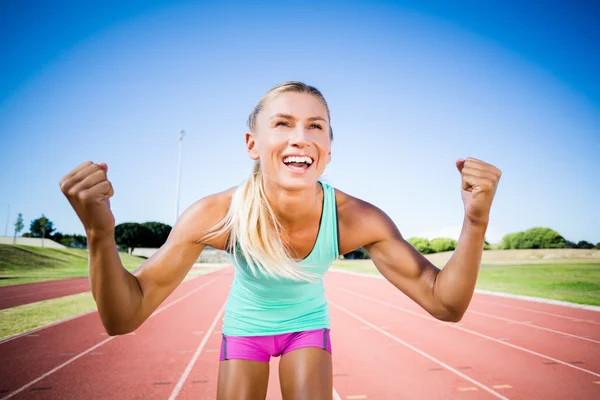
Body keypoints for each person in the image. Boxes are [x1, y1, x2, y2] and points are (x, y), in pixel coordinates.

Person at [59, 81, 501, 399]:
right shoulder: (216, 215)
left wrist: (475, 223)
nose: (300, 138)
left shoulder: (355, 218)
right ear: (253, 143)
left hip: (307, 327)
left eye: (316, 127)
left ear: (329, 147)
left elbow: (445, 303)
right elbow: (124, 316)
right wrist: (100, 235)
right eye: (283, 124)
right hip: (245, 329)